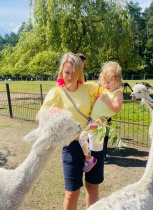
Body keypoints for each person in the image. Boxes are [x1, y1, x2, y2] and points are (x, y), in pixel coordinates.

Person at [35, 53, 104, 210]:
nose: (70, 76)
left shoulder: (89, 89)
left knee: (93, 186)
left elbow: (111, 96)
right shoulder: (56, 92)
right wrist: (48, 114)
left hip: (94, 143)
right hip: (72, 146)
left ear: (80, 71)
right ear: (61, 71)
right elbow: (38, 117)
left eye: (74, 73)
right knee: (72, 192)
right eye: (67, 72)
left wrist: (103, 117)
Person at [78, 61, 123, 172]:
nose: (105, 85)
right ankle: (90, 159)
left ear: (117, 81)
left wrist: (107, 101)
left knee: (84, 138)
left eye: (108, 82)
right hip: (95, 119)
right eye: (104, 82)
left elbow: (117, 109)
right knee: (88, 140)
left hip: (99, 122)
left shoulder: (117, 93)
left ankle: (90, 160)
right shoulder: (108, 90)